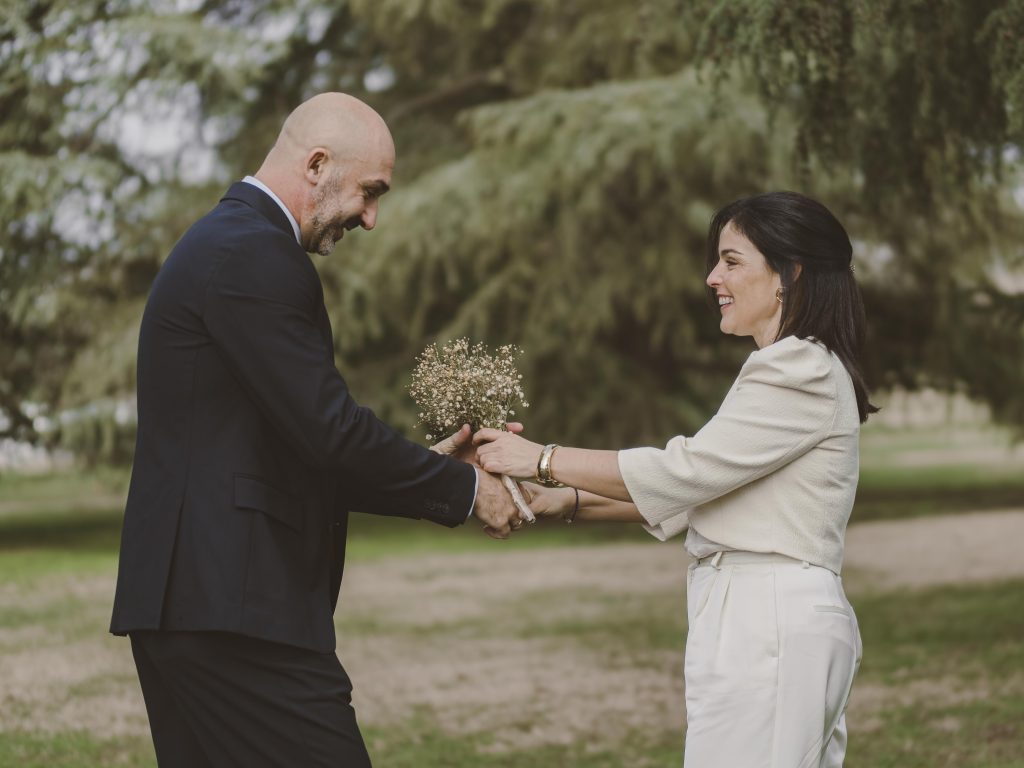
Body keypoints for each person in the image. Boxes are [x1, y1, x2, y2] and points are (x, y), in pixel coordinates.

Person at [110, 92, 523, 768]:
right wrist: (471, 491)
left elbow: (294, 447)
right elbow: (330, 432)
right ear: (317, 164)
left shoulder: (230, 242)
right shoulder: (253, 252)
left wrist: (428, 470)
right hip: (232, 612)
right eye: (369, 192)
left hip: (200, 603)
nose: (371, 217)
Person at [474, 191, 872, 767]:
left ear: (791, 273)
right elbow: (701, 496)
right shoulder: (795, 365)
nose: (713, 277)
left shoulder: (797, 367)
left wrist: (539, 457)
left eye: (732, 261)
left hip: (769, 621)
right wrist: (557, 501)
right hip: (763, 618)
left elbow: (681, 472)